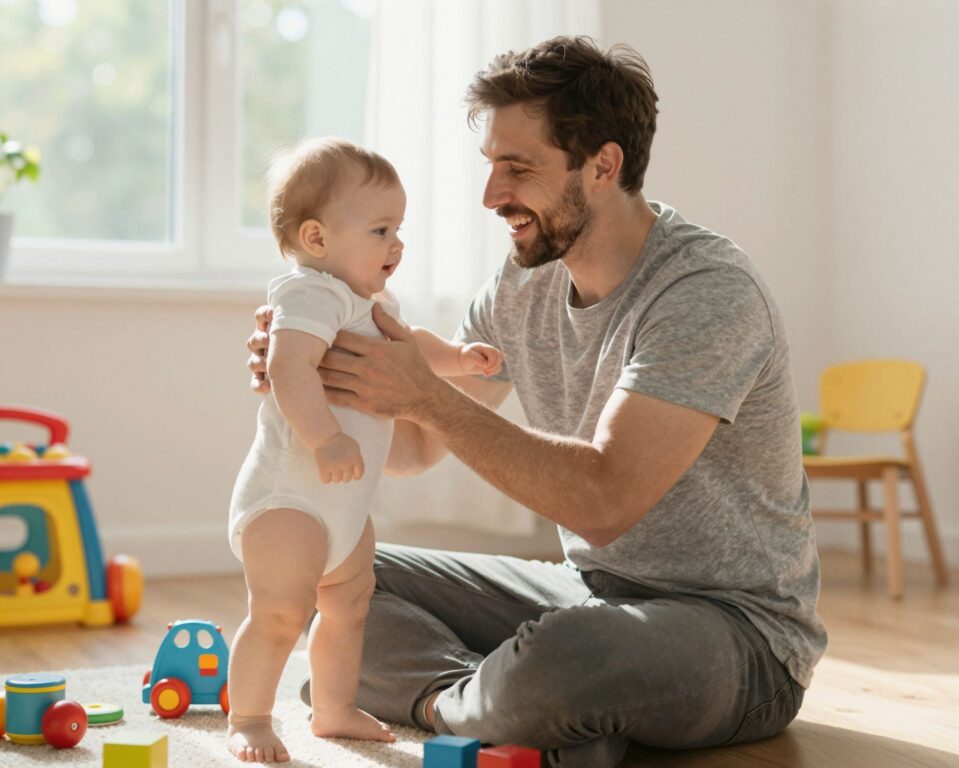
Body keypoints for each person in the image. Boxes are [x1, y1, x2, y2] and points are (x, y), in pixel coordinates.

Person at [247, 36, 827, 768]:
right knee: (340, 575)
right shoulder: (524, 284)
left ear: (603, 166)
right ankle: (523, 711)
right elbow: (418, 448)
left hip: (738, 633)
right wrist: (329, 387)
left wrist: (425, 391)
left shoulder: (706, 292)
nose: (491, 197)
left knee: (572, 655)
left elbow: (605, 499)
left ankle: (509, 700)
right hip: (585, 591)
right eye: (490, 166)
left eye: (517, 169)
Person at [226, 137, 502, 763]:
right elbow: (289, 368)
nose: (397, 244)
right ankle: (249, 717)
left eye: (399, 228)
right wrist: (325, 438)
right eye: (381, 229)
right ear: (317, 239)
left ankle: (332, 708)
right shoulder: (309, 295)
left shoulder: (369, 303)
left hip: (344, 507)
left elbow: (410, 346)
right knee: (279, 611)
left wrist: (458, 361)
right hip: (288, 500)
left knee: (350, 605)